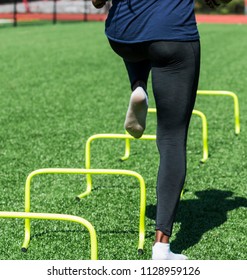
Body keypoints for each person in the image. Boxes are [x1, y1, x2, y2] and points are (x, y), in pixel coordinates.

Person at [91, 0, 224, 260]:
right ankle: (161, 247)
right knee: (172, 139)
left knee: (140, 43)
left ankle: (138, 85)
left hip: (123, 38)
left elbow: (97, 2)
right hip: (171, 36)